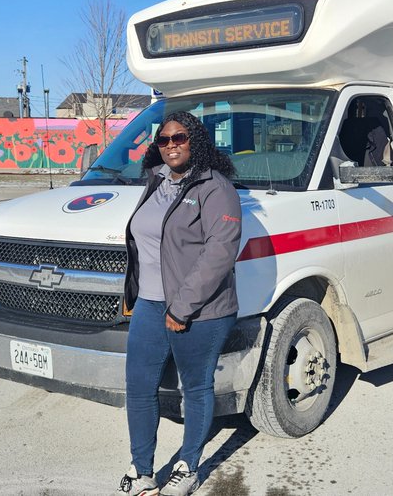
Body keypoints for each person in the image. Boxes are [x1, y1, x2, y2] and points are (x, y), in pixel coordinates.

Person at [115, 111, 241, 496]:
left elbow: (219, 253)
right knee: (138, 388)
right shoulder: (156, 181)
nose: (171, 145)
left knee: (195, 387)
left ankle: (188, 466)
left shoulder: (216, 188)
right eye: (164, 139)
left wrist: (181, 308)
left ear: (196, 141)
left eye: (180, 138)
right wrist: (136, 295)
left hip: (198, 310)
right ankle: (142, 472)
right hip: (150, 305)